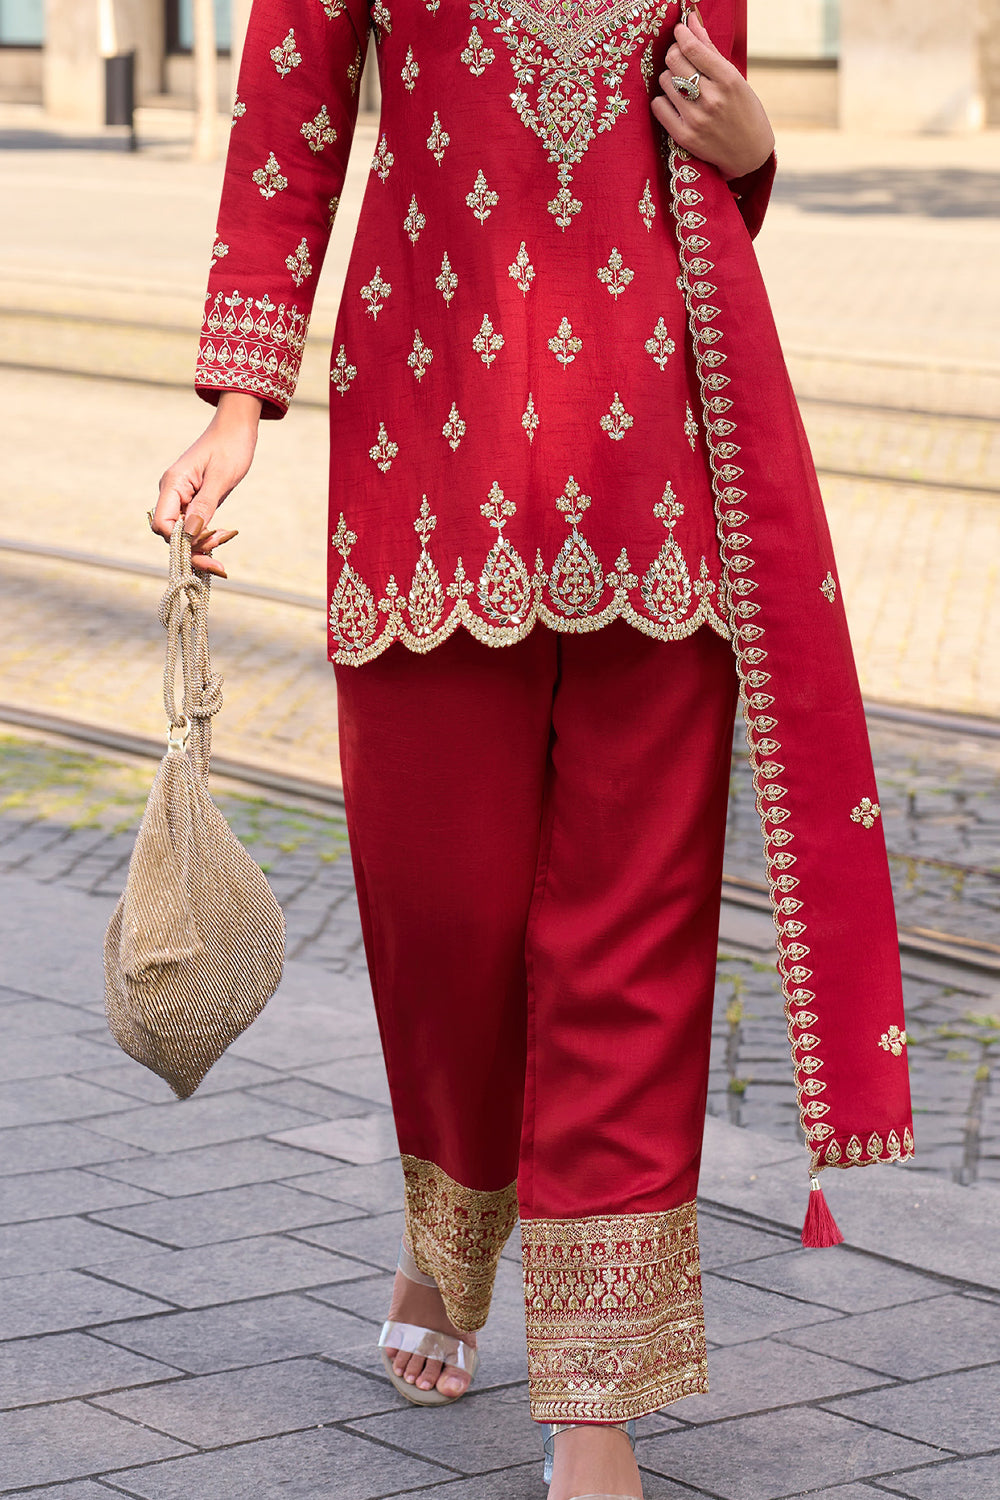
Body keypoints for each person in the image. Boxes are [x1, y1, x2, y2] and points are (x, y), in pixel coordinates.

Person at [151, 2, 914, 1495]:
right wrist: (240, 406)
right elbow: (290, 119)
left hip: (660, 468)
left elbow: (707, 127)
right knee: (449, 915)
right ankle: (449, 1232)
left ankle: (594, 1399)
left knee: (630, 937)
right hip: (426, 454)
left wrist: (758, 157)